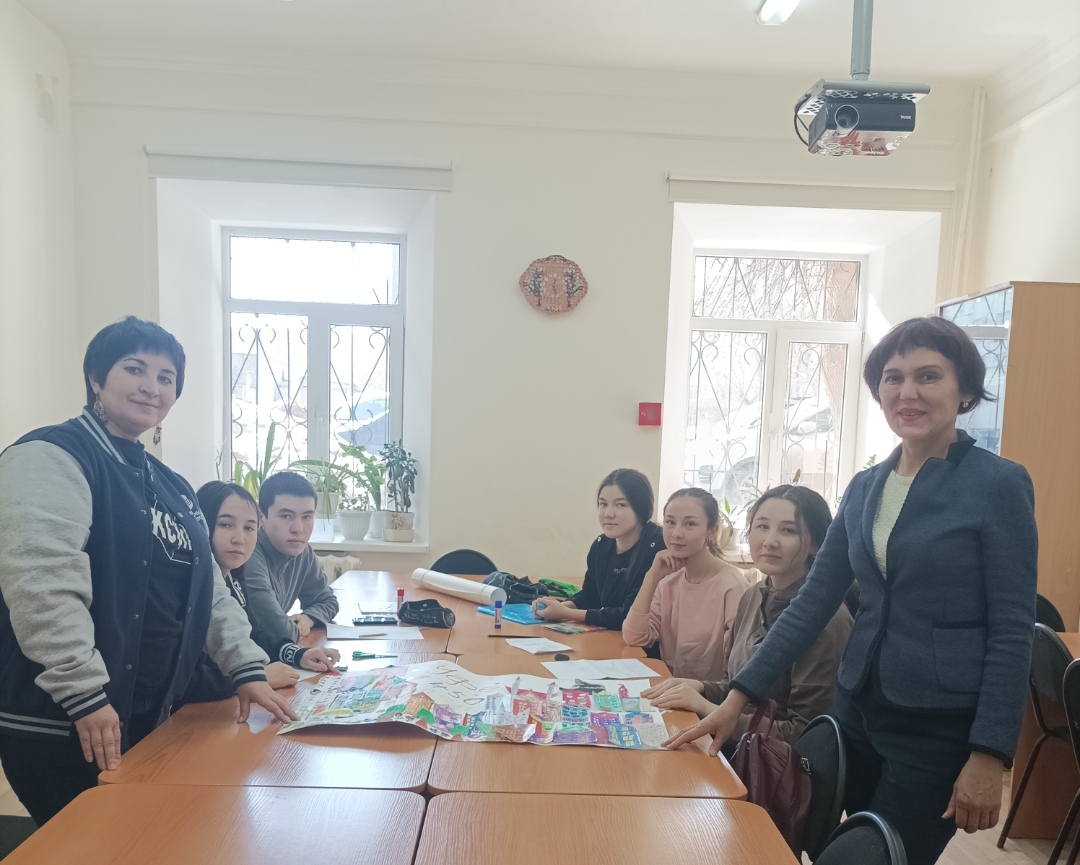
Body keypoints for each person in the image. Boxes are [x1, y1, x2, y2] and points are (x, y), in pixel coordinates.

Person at [664, 317, 1038, 865]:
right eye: (893, 378)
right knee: (844, 846)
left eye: (928, 376)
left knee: (885, 856)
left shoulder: (997, 484)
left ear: (964, 390)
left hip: (937, 726)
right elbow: (812, 602)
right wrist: (736, 699)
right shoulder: (866, 486)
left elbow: (1012, 630)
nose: (907, 392)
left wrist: (991, 753)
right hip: (858, 711)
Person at [0, 317, 296, 825]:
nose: (151, 387)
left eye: (166, 377)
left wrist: (245, 667)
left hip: (148, 717)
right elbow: (42, 583)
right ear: (96, 378)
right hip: (69, 718)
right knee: (95, 846)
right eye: (134, 369)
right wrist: (84, 692)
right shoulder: (51, 455)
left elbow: (210, 593)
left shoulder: (173, 486)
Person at [643, 485, 851, 744]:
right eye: (762, 526)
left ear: (817, 544)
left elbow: (806, 735)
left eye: (788, 530)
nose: (770, 541)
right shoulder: (753, 596)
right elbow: (735, 686)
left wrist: (707, 708)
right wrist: (699, 687)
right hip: (735, 744)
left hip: (768, 761)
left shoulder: (828, 620)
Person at [182, 482, 341, 703]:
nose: (239, 539)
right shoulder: (189, 585)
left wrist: (297, 654)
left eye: (249, 528)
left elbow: (252, 634)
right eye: (225, 525)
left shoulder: (234, 575)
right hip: (188, 712)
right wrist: (252, 676)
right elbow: (182, 678)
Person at [622, 488, 749, 680]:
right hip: (671, 689)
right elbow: (634, 637)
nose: (676, 533)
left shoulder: (733, 587)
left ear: (712, 531)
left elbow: (739, 665)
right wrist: (652, 576)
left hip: (710, 695)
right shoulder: (667, 581)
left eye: (690, 524)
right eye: (670, 522)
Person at [530, 468, 664, 629]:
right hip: (612, 637)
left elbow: (628, 615)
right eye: (603, 504)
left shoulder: (657, 547)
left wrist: (565, 613)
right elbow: (590, 596)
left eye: (621, 505)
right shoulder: (601, 545)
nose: (608, 514)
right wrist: (557, 606)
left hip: (641, 640)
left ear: (641, 508)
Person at [243, 472, 340, 647]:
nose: (298, 529)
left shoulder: (301, 551)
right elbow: (280, 631)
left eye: (307, 517)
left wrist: (308, 618)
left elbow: (328, 601)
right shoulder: (248, 553)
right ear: (261, 517)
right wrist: (292, 628)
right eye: (286, 516)